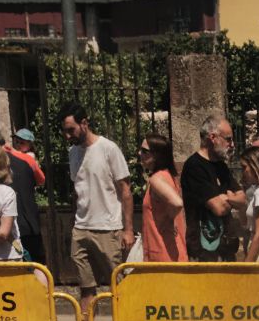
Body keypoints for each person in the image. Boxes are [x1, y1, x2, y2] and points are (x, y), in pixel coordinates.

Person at [58, 102, 134, 302]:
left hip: (108, 228)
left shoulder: (108, 149)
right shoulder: (73, 153)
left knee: (119, 286)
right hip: (82, 227)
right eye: (64, 132)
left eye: (71, 130)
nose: (68, 136)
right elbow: (78, 189)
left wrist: (127, 229)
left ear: (84, 123)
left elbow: (125, 190)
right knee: (86, 288)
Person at [180, 116, 248, 263]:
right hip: (204, 252)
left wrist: (226, 198)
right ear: (213, 137)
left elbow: (243, 200)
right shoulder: (194, 167)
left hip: (226, 250)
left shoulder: (221, 167)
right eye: (228, 139)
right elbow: (219, 208)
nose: (232, 144)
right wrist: (230, 197)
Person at [138, 135, 187, 263]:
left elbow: (177, 203)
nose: (139, 153)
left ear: (156, 155)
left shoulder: (156, 180)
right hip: (173, 251)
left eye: (144, 151)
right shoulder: (169, 176)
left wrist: (167, 220)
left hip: (161, 254)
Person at [4, 130, 45, 263]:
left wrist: (10, 152)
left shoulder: (29, 157)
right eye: (16, 141)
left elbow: (41, 179)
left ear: (30, 144)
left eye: (22, 142)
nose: (17, 143)